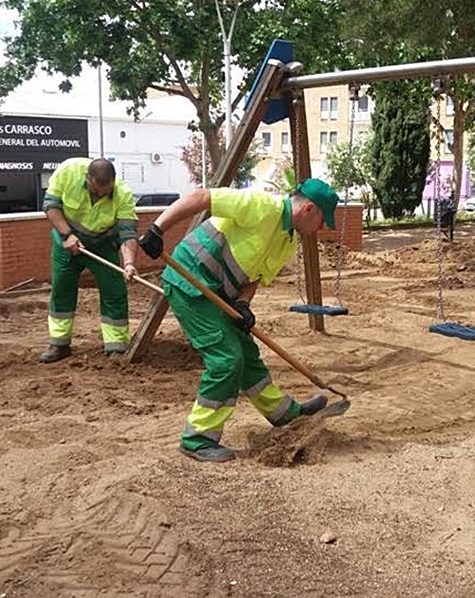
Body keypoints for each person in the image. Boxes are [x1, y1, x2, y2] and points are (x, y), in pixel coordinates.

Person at [137, 178, 340, 462]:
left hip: (224, 294)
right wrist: (158, 229)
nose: (321, 229)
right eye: (322, 221)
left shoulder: (287, 239)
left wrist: (243, 305)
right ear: (308, 209)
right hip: (191, 282)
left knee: (247, 355)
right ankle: (197, 438)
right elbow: (201, 197)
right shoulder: (261, 205)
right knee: (227, 360)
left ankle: (284, 414)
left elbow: (254, 278)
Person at [39, 157, 140, 363]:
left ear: (113, 181)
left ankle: (117, 347)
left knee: (114, 292)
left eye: (106, 192)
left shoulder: (123, 194)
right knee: (62, 289)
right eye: (96, 190)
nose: (101, 194)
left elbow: (127, 232)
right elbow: (51, 205)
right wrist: (67, 235)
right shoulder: (68, 171)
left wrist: (129, 263)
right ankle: (59, 344)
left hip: (102, 244)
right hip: (67, 241)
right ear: (87, 178)